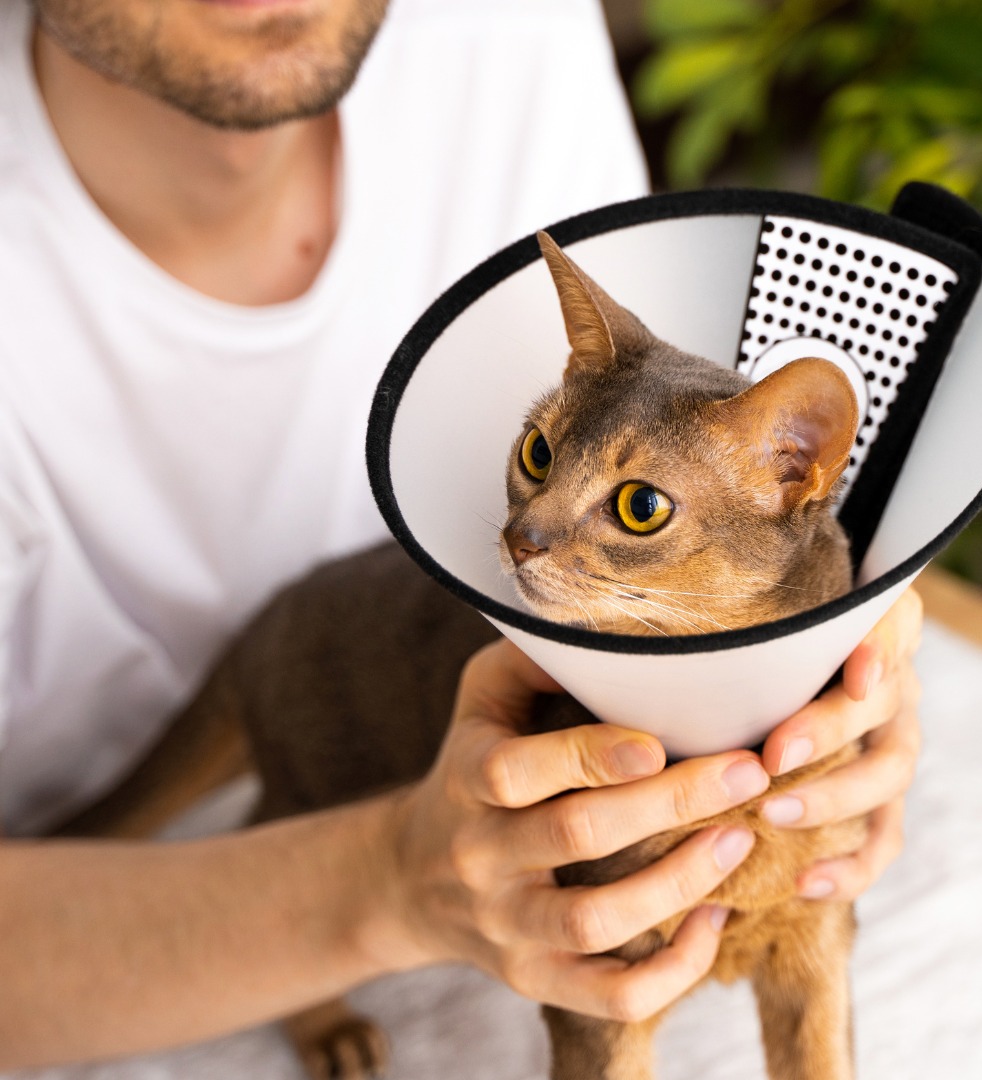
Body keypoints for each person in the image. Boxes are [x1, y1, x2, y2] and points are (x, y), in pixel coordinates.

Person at [0, 0, 923, 1069]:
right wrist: (386, 880)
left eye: (626, 506)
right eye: (538, 462)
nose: (526, 537)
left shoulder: (510, 29)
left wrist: (855, 640)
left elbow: (684, 428)